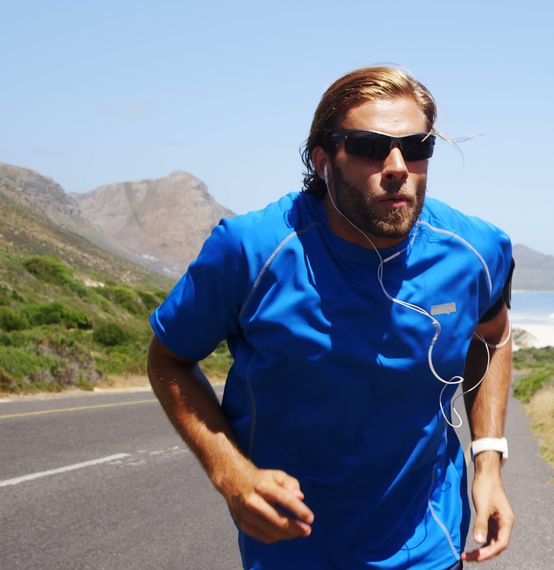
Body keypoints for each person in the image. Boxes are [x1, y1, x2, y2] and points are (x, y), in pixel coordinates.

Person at [147, 66, 515, 569]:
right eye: (368, 146)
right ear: (323, 160)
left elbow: (492, 339)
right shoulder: (251, 250)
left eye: (416, 147)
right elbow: (169, 359)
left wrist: (488, 462)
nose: (396, 166)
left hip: (429, 544)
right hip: (292, 550)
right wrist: (231, 475)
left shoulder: (477, 250)